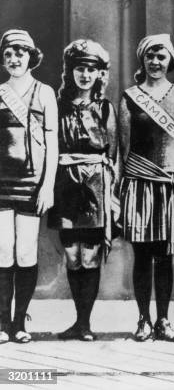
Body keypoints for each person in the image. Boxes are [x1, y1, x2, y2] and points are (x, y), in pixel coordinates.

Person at [118, 34, 174, 342]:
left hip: (169, 185)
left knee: (165, 256)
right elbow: (123, 147)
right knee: (142, 256)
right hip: (138, 183)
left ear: (170, 61)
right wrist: (121, 184)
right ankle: (143, 320)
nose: (155, 62)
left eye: (161, 57)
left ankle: (163, 320)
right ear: (142, 59)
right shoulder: (129, 96)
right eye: (150, 56)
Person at [47, 39, 116, 341]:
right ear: (70, 72)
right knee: (72, 255)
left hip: (95, 183)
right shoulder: (58, 106)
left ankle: (86, 323)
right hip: (65, 182)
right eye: (79, 69)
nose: (85, 75)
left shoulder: (104, 108)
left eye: (91, 69)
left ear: (99, 74)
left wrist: (111, 194)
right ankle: (77, 322)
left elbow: (113, 154)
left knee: (90, 255)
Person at [0, 29, 58, 343]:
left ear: (31, 56)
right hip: (1, 185)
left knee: (25, 253)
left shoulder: (45, 92)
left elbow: (52, 143)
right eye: (8, 53)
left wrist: (47, 186)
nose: (14, 58)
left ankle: (20, 323)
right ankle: (1, 323)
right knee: (1, 253)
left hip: (32, 185)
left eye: (20, 52)